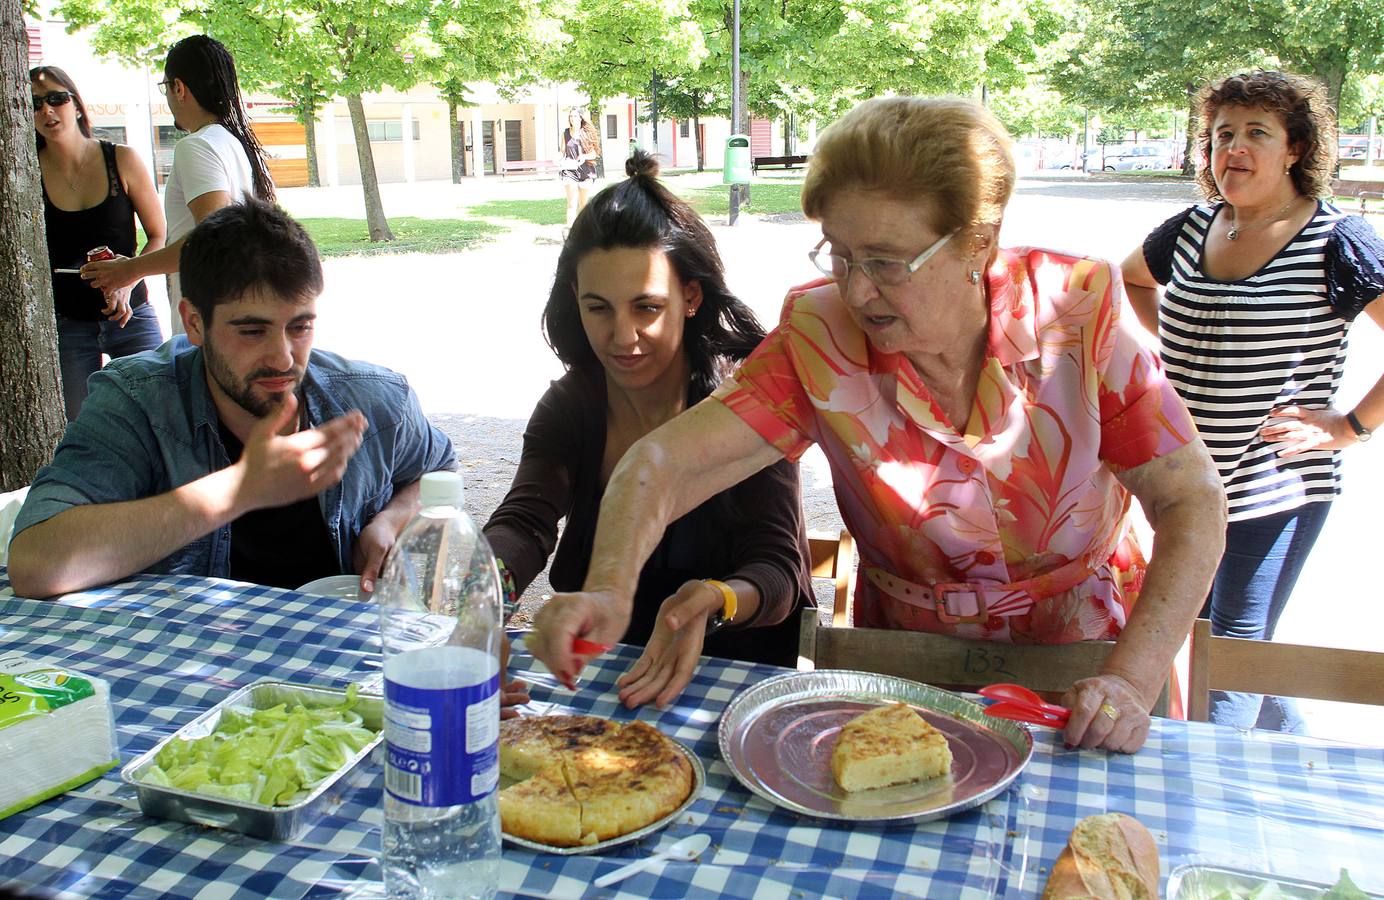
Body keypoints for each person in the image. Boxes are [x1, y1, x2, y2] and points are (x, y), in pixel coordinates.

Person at [527, 97, 1227, 754]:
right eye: (839, 252)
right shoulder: (818, 332)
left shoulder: (1079, 314)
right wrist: (609, 589)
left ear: (977, 243)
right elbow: (663, 464)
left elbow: (1190, 501)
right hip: (905, 668)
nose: (857, 289)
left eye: (887, 263)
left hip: (1082, 667)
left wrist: (1131, 680)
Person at [485, 151, 815, 709]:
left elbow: (779, 569)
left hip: (734, 679)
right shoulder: (571, 405)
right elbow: (525, 522)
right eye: (598, 309)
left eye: (646, 307)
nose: (622, 337)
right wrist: (482, 596)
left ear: (691, 297)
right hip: (604, 675)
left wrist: (713, 599)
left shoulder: (747, 401)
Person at [7, 199, 456, 599]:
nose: (283, 358)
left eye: (299, 327)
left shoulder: (374, 398)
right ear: (194, 323)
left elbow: (435, 470)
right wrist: (239, 490)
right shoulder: (138, 402)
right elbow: (36, 564)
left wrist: (391, 520)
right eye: (252, 331)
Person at [1120, 70, 1384, 732]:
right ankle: (1295, 765)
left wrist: (1348, 425)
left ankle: (1208, 816)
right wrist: (1182, 349)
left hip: (1276, 484)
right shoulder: (1191, 227)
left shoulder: (1336, 241)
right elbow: (1130, 277)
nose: (1232, 148)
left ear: (1295, 147)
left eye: (1255, 133)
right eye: (1221, 134)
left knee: (1231, 649)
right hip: (1186, 479)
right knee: (1220, 641)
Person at [82, 35, 274, 335]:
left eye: (166, 88)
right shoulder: (234, 142)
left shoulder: (197, 146)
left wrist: (128, 270)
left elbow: (210, 240)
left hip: (208, 322)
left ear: (179, 88)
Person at [31, 65, 166, 421]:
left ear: (76, 105)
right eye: (34, 103)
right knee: (82, 430)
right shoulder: (27, 170)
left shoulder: (120, 158)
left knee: (160, 416)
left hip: (131, 314)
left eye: (57, 98)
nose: (46, 110)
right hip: (69, 324)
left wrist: (129, 278)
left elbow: (158, 235)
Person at [560, 107, 601, 227]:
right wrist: (557, 157)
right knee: (572, 204)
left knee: (583, 204)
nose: (572, 118)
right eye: (571, 116)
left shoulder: (587, 133)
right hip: (570, 170)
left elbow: (594, 153)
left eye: (575, 116)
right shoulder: (565, 133)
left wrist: (584, 157)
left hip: (586, 171)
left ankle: (584, 232)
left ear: (580, 117)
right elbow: (562, 151)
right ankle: (570, 233)